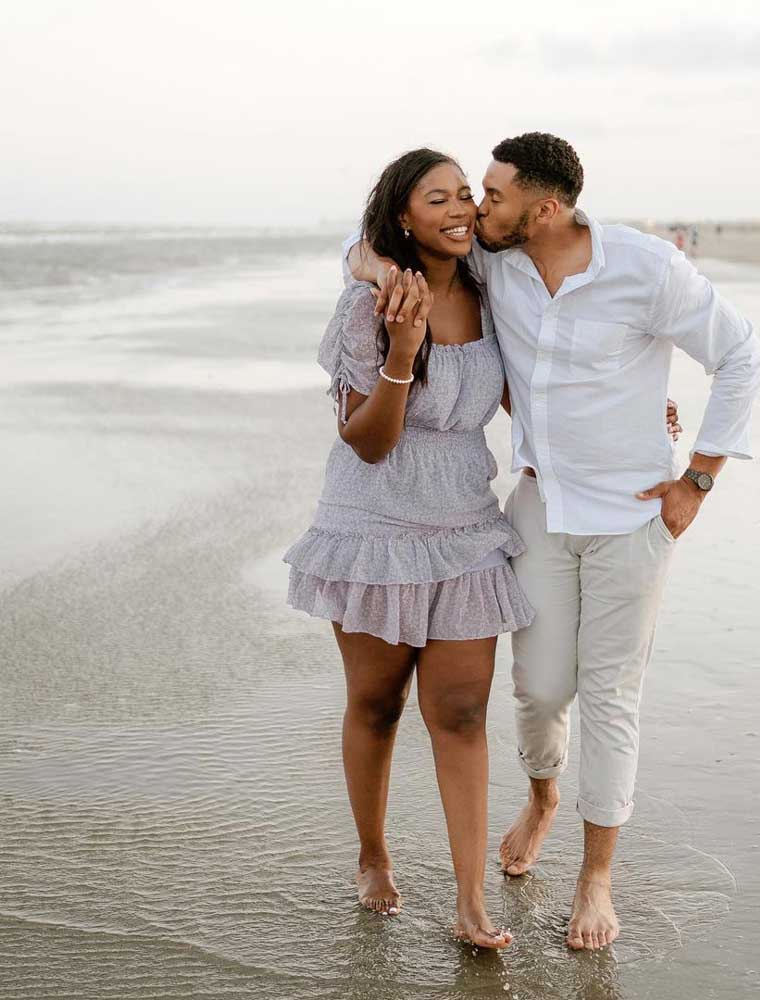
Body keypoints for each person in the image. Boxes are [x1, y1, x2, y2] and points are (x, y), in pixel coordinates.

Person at [349, 131, 760, 952]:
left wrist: (700, 476)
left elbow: (741, 354)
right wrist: (376, 271)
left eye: (492, 194)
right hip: (538, 507)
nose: (476, 206)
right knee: (537, 689)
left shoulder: (646, 268)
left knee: (610, 695)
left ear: (544, 209)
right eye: (473, 191)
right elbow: (372, 239)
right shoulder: (495, 263)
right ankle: (542, 797)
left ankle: (595, 876)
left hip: (636, 517)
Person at [283, 148, 537, 949]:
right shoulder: (368, 307)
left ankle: (470, 902)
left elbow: (557, 365)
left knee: (461, 713)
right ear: (404, 215)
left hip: (466, 530)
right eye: (440, 199)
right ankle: (373, 854)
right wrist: (400, 351)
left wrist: (643, 415)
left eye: (467, 196)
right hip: (374, 532)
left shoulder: (498, 292)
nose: (461, 209)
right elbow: (365, 443)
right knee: (378, 704)